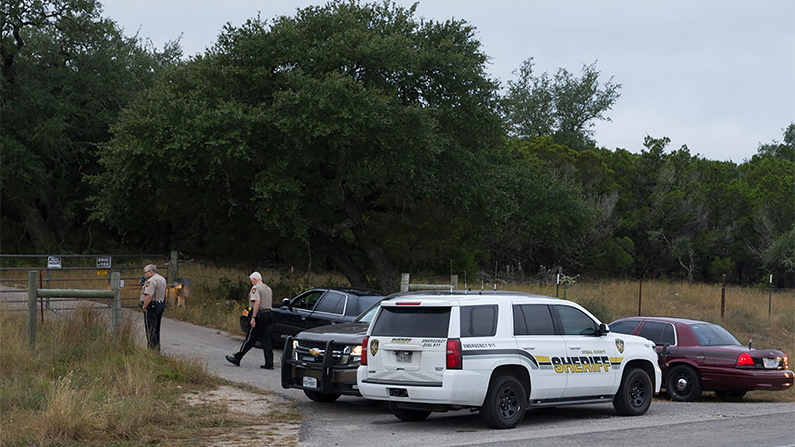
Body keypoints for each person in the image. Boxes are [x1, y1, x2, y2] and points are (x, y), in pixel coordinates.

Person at [226, 271, 274, 369]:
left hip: (259, 315)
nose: (251, 283)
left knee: (250, 337)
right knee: (266, 339)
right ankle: (269, 362)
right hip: (268, 314)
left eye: (251, 281)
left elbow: (257, 302)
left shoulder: (256, 288)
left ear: (255, 279)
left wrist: (253, 317)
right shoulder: (268, 288)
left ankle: (237, 358)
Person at [140, 264, 167, 351]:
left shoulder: (151, 281)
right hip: (160, 303)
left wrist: (144, 306)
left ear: (151, 272)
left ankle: (152, 348)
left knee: (150, 328)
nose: (144, 274)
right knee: (157, 327)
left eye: (145, 273)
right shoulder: (161, 278)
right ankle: (157, 346)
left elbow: (149, 296)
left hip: (152, 305)